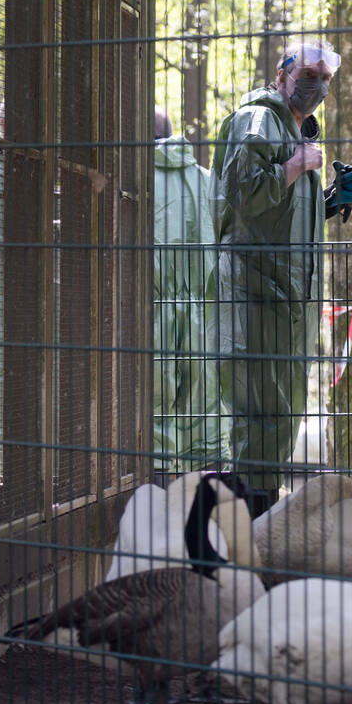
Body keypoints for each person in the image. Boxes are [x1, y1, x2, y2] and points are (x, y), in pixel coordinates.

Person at [209, 39, 352, 516]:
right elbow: (244, 193)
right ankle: (244, 531)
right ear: (282, 76)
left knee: (276, 423)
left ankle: (256, 531)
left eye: (326, 78)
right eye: (309, 74)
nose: (318, 85)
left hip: (288, 303)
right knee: (258, 422)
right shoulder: (258, 119)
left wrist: (333, 199)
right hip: (257, 294)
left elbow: (283, 213)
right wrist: (297, 164)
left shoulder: (296, 132)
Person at [152, 106, 224, 477]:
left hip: (151, 310)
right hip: (204, 313)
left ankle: (157, 487)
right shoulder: (207, 180)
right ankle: (206, 494)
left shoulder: (134, 181)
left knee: (155, 405)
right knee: (205, 406)